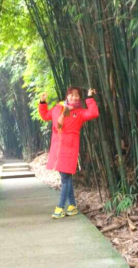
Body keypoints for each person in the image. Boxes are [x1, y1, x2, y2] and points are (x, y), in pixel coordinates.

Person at [39, 87, 99, 218]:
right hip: (57, 147)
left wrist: (89, 98)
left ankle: (60, 207)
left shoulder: (80, 113)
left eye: (77, 96)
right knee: (66, 178)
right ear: (67, 96)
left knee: (65, 179)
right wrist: (42, 102)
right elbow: (44, 116)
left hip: (70, 148)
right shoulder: (57, 109)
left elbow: (93, 113)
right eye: (72, 95)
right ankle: (72, 206)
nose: (74, 98)